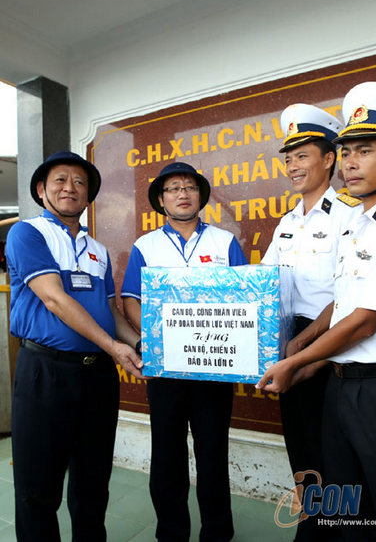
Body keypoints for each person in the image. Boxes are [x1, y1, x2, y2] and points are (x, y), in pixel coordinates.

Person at [257, 82, 376, 541]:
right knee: (347, 510)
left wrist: (296, 359)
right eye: (348, 151)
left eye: (365, 151)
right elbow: (343, 303)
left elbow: (367, 319)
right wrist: (311, 363)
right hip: (338, 382)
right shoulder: (360, 228)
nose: (351, 162)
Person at [6, 151, 144, 542]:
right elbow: (54, 298)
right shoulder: (28, 234)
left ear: (88, 196)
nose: (71, 188)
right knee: (38, 487)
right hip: (45, 372)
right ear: (41, 189)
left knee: (92, 482)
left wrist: (139, 344)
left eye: (80, 182)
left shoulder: (97, 249)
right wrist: (113, 347)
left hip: (97, 376)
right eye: (61, 180)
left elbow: (111, 312)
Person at [121, 161, 248, 542]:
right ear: (161, 200)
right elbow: (131, 300)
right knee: (167, 454)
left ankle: (217, 533)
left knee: (213, 453)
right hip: (166, 369)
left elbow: (246, 297)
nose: (183, 194)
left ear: (200, 196)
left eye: (190, 187)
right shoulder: (146, 245)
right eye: (174, 188)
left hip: (214, 367)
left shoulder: (224, 241)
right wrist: (158, 340)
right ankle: (172, 533)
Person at [261, 103, 358, 541]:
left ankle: (333, 531)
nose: (293, 166)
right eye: (288, 158)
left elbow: (350, 295)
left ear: (329, 158)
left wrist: (303, 347)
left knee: (334, 455)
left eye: (302, 155)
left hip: (334, 346)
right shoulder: (287, 223)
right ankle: (313, 528)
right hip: (289, 344)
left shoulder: (350, 215)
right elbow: (265, 285)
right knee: (300, 449)